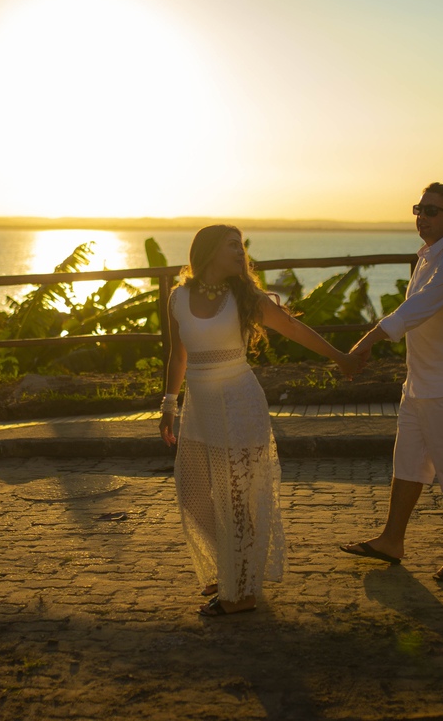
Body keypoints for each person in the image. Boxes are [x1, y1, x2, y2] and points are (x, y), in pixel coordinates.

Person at [160, 224, 363, 616]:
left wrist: (340, 357)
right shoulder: (178, 298)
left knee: (236, 500)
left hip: (239, 405)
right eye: (232, 245)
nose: (241, 252)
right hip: (198, 409)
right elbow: (178, 355)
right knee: (193, 494)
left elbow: (293, 328)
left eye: (241, 246)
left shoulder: (246, 297)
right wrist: (169, 405)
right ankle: (235, 567)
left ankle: (240, 591)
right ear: (209, 251)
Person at [340, 183, 443, 582]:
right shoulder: (429, 255)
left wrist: (366, 341)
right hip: (422, 383)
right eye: (419, 209)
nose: (422, 217)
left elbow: (417, 309)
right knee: (408, 463)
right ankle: (392, 541)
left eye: (431, 211)